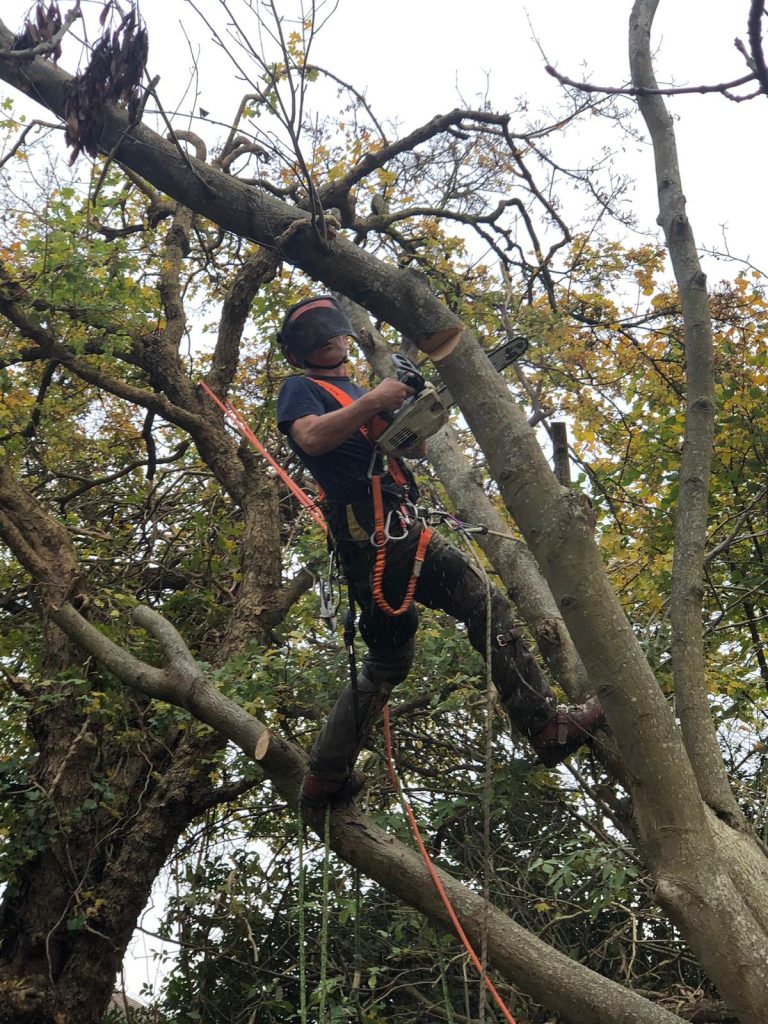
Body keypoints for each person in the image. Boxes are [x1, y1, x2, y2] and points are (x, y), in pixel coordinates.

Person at [276, 295, 604, 807]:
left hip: (404, 525)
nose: (333, 341)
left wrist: (410, 411)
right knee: (389, 659)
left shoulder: (358, 390)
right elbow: (311, 440)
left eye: (333, 333)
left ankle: (544, 727)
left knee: (483, 602)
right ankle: (325, 774)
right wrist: (375, 401)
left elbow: (412, 448)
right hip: (370, 536)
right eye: (320, 337)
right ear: (304, 349)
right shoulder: (301, 389)